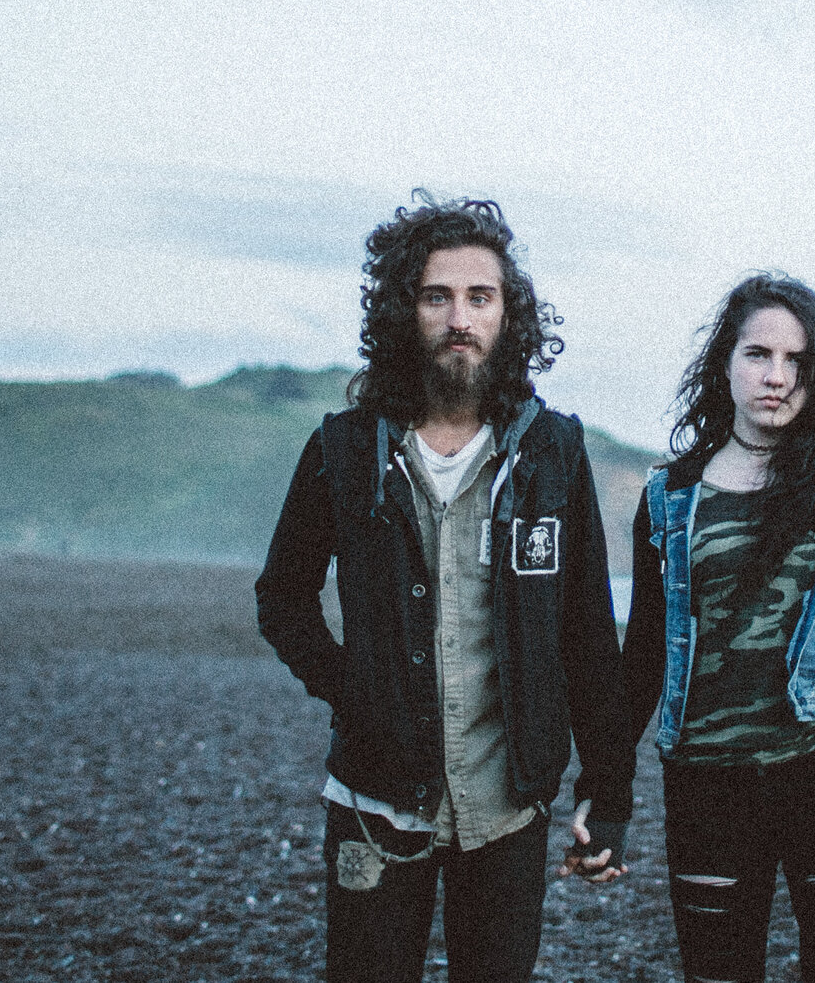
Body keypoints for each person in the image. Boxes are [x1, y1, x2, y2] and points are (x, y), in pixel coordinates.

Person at [256, 195, 633, 983]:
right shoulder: (344, 448)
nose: (460, 317)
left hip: (509, 806)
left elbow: (588, 634)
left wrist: (608, 787)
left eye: (479, 297)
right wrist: (349, 689)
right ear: (407, 311)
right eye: (438, 296)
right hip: (373, 801)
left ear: (508, 315)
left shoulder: (553, 452)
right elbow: (283, 599)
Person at [621, 274, 815, 983]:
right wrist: (603, 788)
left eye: (799, 363)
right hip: (706, 787)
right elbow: (644, 655)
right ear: (725, 361)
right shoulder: (669, 499)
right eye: (759, 354)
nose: (777, 377)